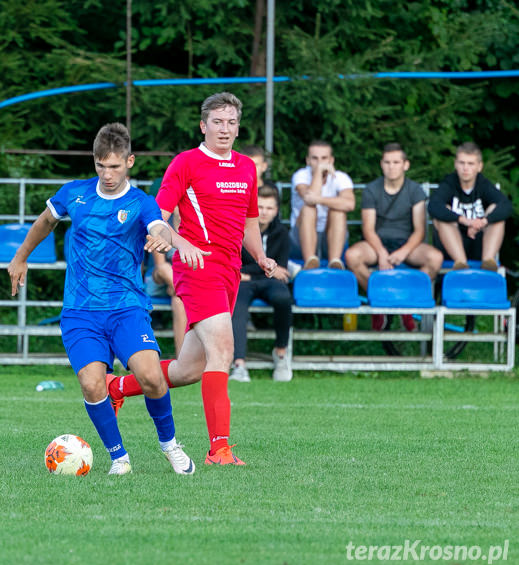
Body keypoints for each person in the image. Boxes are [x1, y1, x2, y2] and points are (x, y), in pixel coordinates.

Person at [8, 123, 195, 476]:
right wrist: (21, 256)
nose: (108, 174)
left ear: (130, 162)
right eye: (101, 166)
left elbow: (159, 227)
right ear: (94, 162)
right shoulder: (75, 194)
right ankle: (118, 457)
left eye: (115, 166)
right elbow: (45, 222)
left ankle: (170, 445)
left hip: (126, 308)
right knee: (92, 383)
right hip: (80, 311)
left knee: (152, 376)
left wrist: (163, 238)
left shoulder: (141, 202)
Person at [107, 92, 277, 466]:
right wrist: (177, 246)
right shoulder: (186, 163)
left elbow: (249, 222)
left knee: (189, 370)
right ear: (203, 126)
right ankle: (219, 449)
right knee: (224, 352)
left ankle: (115, 387)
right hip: (198, 268)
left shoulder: (247, 168)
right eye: (217, 122)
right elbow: (157, 216)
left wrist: (261, 256)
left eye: (231, 122)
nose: (225, 129)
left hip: (230, 271)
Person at [344, 143, 443, 331]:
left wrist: (403, 252)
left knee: (435, 258)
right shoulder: (371, 190)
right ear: (381, 164)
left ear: (406, 165)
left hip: (408, 245)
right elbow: (368, 228)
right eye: (387, 162)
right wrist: (381, 253)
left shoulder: (415, 191)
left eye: (396, 162)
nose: (391, 166)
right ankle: (379, 299)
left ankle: (405, 300)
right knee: (352, 256)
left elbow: (419, 230)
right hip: (377, 243)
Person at [230, 184, 293, 383]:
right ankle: (239, 364)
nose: (264, 212)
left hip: (266, 281)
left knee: (283, 298)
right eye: (260, 207)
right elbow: (235, 262)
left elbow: (281, 269)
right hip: (245, 282)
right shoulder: (239, 229)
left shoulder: (282, 233)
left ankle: (281, 352)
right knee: (236, 305)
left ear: (276, 211)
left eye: (270, 208)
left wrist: (249, 271)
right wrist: (262, 270)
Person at [428, 142, 510, 271]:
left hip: (480, 245)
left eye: (470, 164)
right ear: (456, 164)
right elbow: (433, 206)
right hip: (451, 246)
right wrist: (464, 220)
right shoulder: (449, 183)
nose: (465, 168)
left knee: (495, 212)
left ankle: (488, 261)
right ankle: (461, 263)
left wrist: (483, 221)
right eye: (462, 163)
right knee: (442, 216)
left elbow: (505, 205)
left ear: (479, 166)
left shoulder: (483, 184)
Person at [290, 141, 355, 269]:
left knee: (338, 211)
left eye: (324, 158)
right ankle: (310, 261)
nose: (320, 163)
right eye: (315, 158)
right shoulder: (300, 175)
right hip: (300, 238)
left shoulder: (341, 177)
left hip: (331, 236)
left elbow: (350, 204)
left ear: (331, 160)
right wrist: (319, 173)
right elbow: (309, 198)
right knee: (309, 208)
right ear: (308, 160)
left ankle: (335, 261)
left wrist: (319, 199)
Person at [143, 209, 186, 356]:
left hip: (184, 281)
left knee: (179, 301)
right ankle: (180, 289)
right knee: (166, 268)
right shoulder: (161, 226)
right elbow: (160, 266)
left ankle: (183, 358)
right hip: (159, 280)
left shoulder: (198, 226)